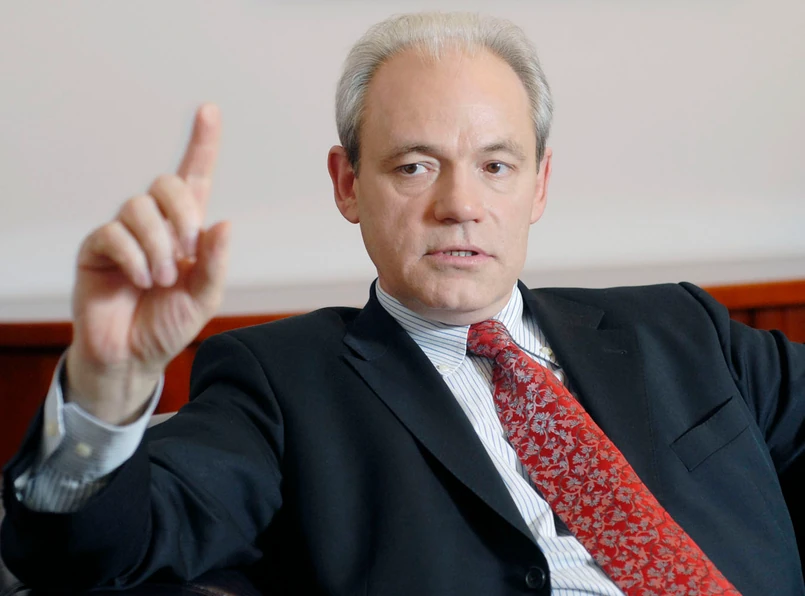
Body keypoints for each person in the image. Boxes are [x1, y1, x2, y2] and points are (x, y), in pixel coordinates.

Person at [2, 11, 804, 596]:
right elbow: (94, 558)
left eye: (496, 166)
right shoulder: (279, 386)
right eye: (415, 166)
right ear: (348, 185)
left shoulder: (681, 328)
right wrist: (106, 387)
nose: (460, 205)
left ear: (539, 185)